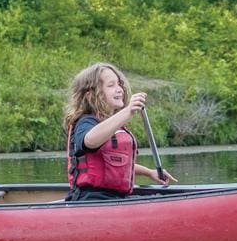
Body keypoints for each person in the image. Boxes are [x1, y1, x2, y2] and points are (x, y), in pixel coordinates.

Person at [63, 62, 175, 201]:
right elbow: (90, 141)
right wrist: (128, 110)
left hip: (115, 197)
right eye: (111, 85)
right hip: (91, 198)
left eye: (119, 84)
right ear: (91, 95)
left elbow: (115, 163)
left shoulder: (112, 124)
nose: (119, 89)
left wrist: (149, 172)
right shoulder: (85, 122)